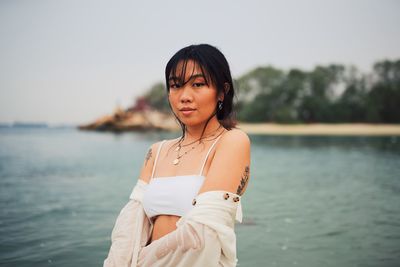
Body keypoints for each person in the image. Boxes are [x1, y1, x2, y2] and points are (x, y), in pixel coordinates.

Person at [103, 44, 251, 267]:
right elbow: (130, 227)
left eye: (198, 84)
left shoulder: (232, 141)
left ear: (222, 91)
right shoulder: (157, 151)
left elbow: (202, 232)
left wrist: (141, 262)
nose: (184, 96)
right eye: (175, 85)